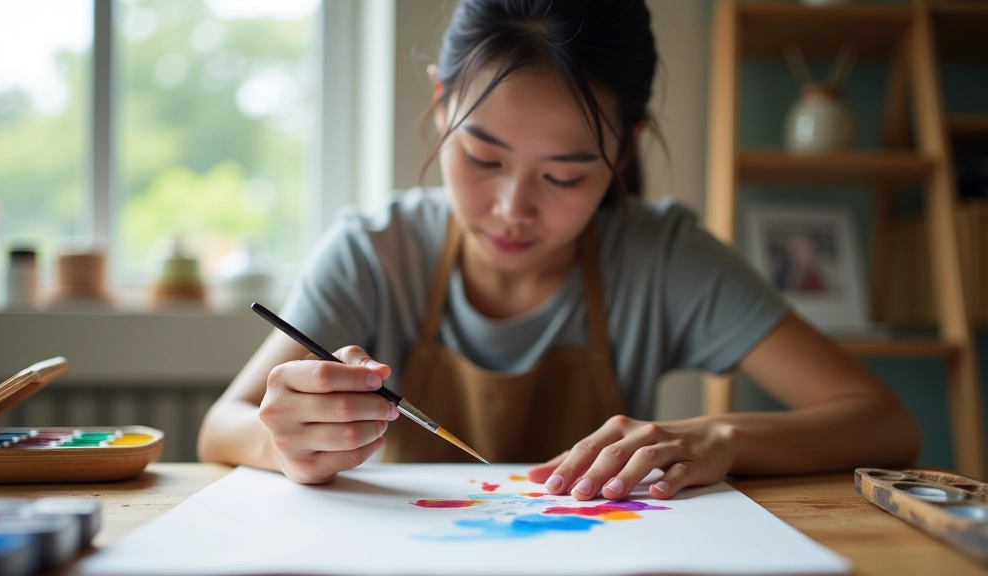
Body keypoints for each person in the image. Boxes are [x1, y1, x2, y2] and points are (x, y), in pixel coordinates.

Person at [198, 0, 921, 501]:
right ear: (441, 105)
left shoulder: (662, 256)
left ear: (626, 148)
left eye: (565, 175)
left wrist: (721, 436)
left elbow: (885, 423)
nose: (513, 209)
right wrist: (285, 442)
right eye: (482, 158)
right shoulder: (373, 253)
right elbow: (221, 429)